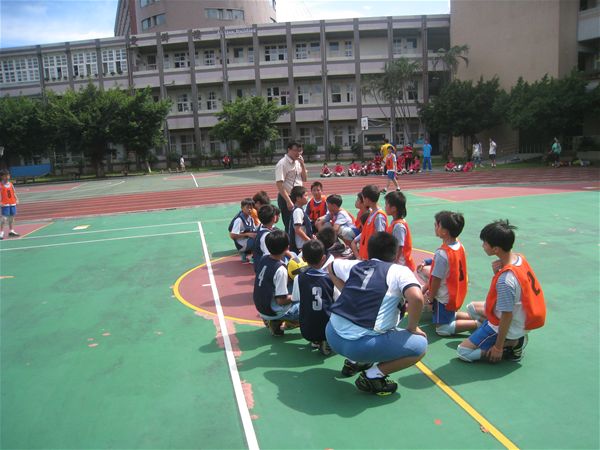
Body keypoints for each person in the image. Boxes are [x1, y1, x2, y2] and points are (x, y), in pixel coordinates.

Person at [326, 232, 428, 395]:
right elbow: (416, 298)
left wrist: (345, 290)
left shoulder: (356, 265)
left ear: (369, 251)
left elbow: (331, 266)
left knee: (372, 319)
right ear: (396, 254)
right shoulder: (399, 271)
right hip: (360, 345)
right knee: (419, 345)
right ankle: (372, 376)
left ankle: (354, 362)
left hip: (332, 334)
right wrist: (413, 327)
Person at [457, 220, 546, 363]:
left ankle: (514, 343)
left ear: (496, 249)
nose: (483, 246)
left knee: (464, 352)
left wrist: (498, 347)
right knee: (472, 308)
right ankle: (501, 336)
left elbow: (506, 316)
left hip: (508, 324)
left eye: (485, 243)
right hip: (522, 316)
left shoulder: (506, 280)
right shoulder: (519, 259)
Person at [419, 211, 477, 336]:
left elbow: (436, 280)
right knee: (449, 315)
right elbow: (447, 264)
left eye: (437, 225)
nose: (435, 226)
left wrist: (430, 297)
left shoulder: (442, 253)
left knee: (442, 329)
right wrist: (428, 261)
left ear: (445, 231)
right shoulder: (458, 245)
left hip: (444, 298)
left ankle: (479, 324)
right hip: (456, 292)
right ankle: (475, 318)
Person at [253, 230, 300, 336]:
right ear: (287, 247)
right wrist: (298, 295)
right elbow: (281, 301)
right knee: (310, 302)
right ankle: (279, 321)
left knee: (291, 285)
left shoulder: (264, 258)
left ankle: (273, 320)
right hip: (274, 310)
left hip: (262, 307)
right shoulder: (280, 270)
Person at [292, 240, 335, 355]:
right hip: (328, 329)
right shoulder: (331, 279)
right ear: (323, 258)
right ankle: (326, 340)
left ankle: (315, 340)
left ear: (303, 259)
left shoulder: (298, 278)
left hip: (307, 330)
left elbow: (295, 298)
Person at [275, 141, 308, 231]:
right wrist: (288, 201)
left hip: (299, 198)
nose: (298, 153)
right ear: (289, 150)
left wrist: (302, 164)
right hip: (287, 198)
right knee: (290, 225)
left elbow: (305, 179)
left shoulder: (298, 162)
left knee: (300, 223)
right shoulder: (282, 164)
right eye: (296, 150)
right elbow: (279, 184)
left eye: (300, 151)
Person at [351, 185, 388, 260]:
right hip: (366, 255)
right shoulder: (372, 213)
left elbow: (380, 238)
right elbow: (367, 231)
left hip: (372, 257)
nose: (363, 200)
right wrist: (356, 240)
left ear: (367, 199)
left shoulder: (379, 216)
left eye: (363, 197)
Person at [384, 191, 415, 271]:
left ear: (394, 208)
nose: (385, 207)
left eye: (386, 204)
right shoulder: (395, 222)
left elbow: (399, 247)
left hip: (401, 264)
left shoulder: (399, 226)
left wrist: (394, 263)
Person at [228, 198, 257, 263]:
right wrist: (247, 234)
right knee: (257, 240)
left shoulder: (251, 218)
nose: (249, 209)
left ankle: (245, 254)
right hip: (241, 245)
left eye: (251, 208)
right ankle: (252, 257)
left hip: (246, 241)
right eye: (247, 207)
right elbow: (232, 235)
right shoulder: (239, 220)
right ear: (242, 208)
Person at [288, 185, 313, 253]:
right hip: (301, 247)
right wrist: (309, 241)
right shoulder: (298, 211)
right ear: (298, 198)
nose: (308, 197)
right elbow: (297, 230)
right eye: (305, 195)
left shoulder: (299, 210)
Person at [0, 170, 19, 240]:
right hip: (5, 204)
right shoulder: (0, 185)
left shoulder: (11, 184)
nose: (7, 177)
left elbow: (13, 193)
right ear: (1, 177)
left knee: (12, 218)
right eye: (5, 176)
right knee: (4, 218)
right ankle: (1, 232)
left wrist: (17, 199)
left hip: (12, 203)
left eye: (8, 175)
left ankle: (11, 231)